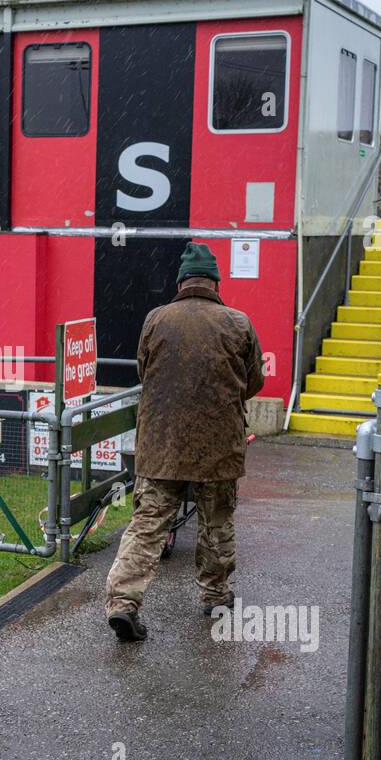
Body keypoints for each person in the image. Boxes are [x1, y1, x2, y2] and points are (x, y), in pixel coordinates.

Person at [105, 242, 265, 642]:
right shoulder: (238, 322)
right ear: (214, 282)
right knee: (217, 523)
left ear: (181, 282)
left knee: (147, 526)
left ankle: (124, 603)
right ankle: (215, 595)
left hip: (162, 445)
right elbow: (254, 381)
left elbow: (146, 372)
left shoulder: (156, 319)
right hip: (219, 447)